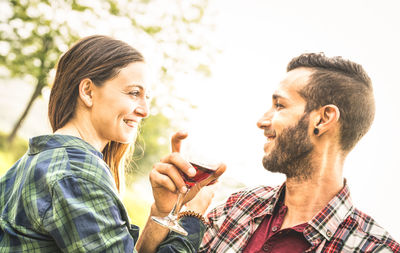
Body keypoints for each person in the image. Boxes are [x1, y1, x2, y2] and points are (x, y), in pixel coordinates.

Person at [0, 35, 225, 253]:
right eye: (134, 93)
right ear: (88, 91)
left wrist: (162, 210)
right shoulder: (77, 175)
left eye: (147, 97)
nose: (145, 110)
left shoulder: (37, 160)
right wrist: (193, 215)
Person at [197, 53, 400, 252]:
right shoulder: (238, 207)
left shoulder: (376, 248)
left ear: (323, 119)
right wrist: (164, 212)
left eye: (279, 105)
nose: (262, 121)